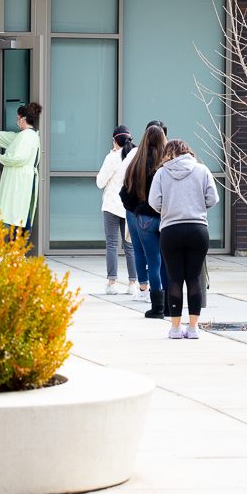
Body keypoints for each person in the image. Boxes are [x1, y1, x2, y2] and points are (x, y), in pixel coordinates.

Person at [150, 139, 219, 339]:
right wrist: (196, 207)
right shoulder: (202, 170)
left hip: (171, 230)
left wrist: (170, 209)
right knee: (194, 278)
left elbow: (154, 201)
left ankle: (176, 328)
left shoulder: (161, 173)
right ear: (188, 152)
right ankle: (194, 328)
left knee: (174, 279)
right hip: (198, 229)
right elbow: (213, 198)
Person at [0, 102, 42, 234]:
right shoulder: (24, 135)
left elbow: (19, 157)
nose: (16, 121)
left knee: (18, 213)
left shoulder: (27, 136)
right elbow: (5, 136)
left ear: (22, 119)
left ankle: (19, 246)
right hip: (20, 179)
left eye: (17, 118)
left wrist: (3, 158)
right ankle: (18, 245)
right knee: (18, 211)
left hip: (21, 180)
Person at [121, 124, 168, 319]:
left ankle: (156, 308)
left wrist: (137, 211)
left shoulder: (137, 163)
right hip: (166, 218)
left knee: (153, 261)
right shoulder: (167, 164)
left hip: (145, 219)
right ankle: (169, 305)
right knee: (166, 263)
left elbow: (125, 194)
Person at [96, 125, 138, 296]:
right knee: (131, 246)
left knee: (112, 245)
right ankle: (133, 283)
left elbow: (100, 182)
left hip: (112, 205)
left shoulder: (112, 158)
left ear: (114, 140)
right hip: (129, 207)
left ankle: (112, 283)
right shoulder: (135, 156)